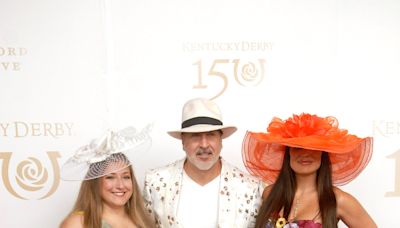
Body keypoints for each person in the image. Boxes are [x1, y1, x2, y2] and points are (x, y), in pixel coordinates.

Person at [143, 98, 265, 228]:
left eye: (211, 135)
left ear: (220, 140)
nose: (204, 144)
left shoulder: (250, 188)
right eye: (195, 135)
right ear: (183, 142)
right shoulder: (156, 182)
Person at [242, 113, 377, 228]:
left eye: (313, 148)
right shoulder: (269, 193)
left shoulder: (339, 200)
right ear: (288, 152)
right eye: (297, 147)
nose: (305, 154)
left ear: (323, 153)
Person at [60, 127, 155, 228]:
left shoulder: (142, 221)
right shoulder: (78, 223)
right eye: (110, 177)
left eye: (126, 177)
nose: (120, 185)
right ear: (95, 182)